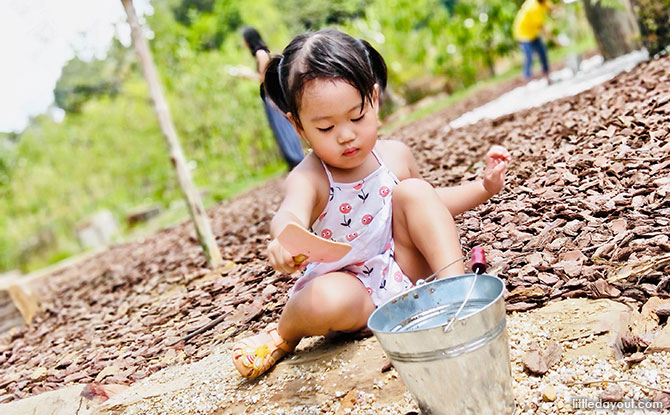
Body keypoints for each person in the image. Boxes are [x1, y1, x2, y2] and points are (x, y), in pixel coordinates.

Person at [232, 29, 511, 379]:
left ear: (374, 100)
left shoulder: (394, 154)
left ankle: (455, 295)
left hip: (409, 274)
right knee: (321, 299)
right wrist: (283, 240)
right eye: (326, 126)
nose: (346, 135)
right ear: (299, 127)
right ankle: (283, 335)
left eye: (356, 116)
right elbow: (290, 213)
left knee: (414, 191)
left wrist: (483, 187)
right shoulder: (312, 176)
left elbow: (430, 206)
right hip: (354, 292)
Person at [242, 27, 304, 169]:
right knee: (279, 127)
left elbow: (264, 77)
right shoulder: (261, 53)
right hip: (269, 95)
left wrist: (246, 74)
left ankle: (295, 157)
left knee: (283, 126)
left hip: (270, 95)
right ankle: (293, 158)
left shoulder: (260, 53)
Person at [513, 0, 552, 83]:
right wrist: (552, 38)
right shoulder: (533, 7)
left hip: (533, 33)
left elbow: (550, 8)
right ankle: (527, 78)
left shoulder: (544, 2)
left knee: (542, 53)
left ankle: (546, 74)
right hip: (522, 34)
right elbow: (540, 26)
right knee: (529, 56)